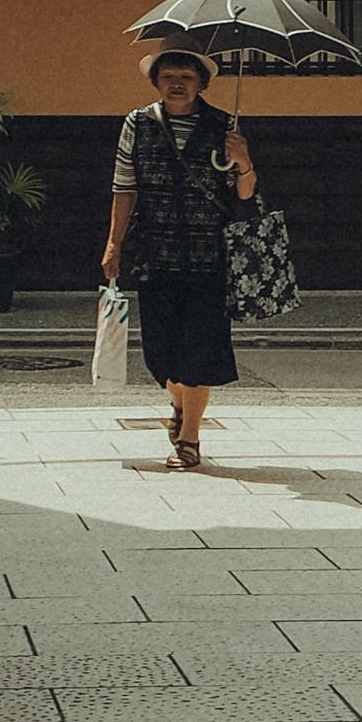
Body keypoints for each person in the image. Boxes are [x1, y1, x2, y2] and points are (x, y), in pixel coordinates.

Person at [102, 45, 257, 468]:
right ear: (156, 82)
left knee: (199, 351)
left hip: (210, 256)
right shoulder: (137, 123)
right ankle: (180, 404)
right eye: (168, 76)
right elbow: (124, 186)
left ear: (201, 84)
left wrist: (243, 163)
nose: (176, 84)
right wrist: (114, 243)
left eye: (186, 78)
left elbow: (245, 197)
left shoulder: (225, 126)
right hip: (155, 253)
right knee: (161, 355)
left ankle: (189, 439)